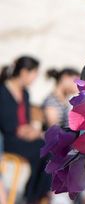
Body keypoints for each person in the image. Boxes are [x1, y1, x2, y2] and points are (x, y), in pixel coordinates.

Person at [0, 57, 50, 203]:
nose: (35, 78)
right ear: (24, 72)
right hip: (8, 140)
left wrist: (32, 131)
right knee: (43, 150)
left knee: (49, 148)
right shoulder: (3, 91)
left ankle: (38, 194)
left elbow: (25, 122)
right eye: (34, 73)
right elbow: (8, 126)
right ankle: (33, 196)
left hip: (24, 137)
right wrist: (28, 131)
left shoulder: (25, 93)